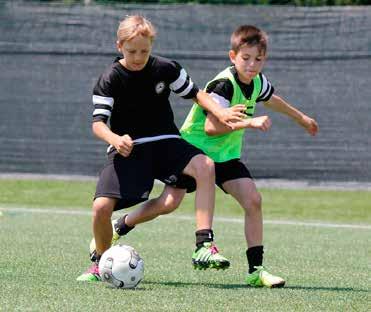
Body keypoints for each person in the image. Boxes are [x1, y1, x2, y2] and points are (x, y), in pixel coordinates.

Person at [99, 24, 319, 288]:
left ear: (264, 60)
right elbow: (211, 128)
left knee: (253, 200)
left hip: (225, 156)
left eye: (258, 59)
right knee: (168, 204)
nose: (251, 65)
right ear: (233, 56)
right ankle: (122, 226)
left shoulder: (257, 81)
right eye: (246, 58)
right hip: (197, 150)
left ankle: (256, 271)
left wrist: (302, 118)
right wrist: (249, 123)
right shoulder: (224, 84)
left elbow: (272, 99)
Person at [76, 15, 245, 282]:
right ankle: (99, 261)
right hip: (130, 148)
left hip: (167, 141)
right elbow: (98, 123)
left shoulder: (165, 69)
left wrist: (220, 113)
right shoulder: (110, 77)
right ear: (119, 46)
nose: (138, 57)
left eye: (145, 50)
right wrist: (115, 139)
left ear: (152, 46)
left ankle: (203, 245)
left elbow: (197, 93)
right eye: (132, 51)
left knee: (204, 166)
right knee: (101, 208)